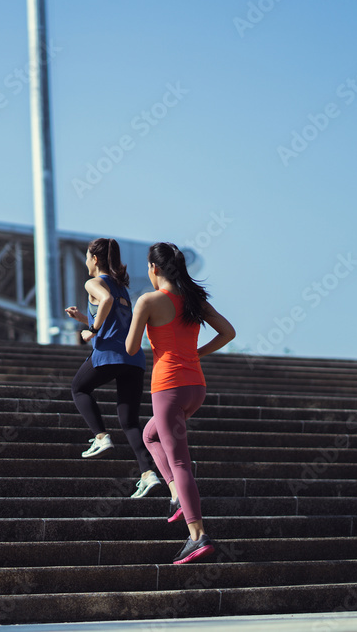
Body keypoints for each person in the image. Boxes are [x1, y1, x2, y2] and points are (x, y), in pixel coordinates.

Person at [126, 242, 236, 565]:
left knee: (180, 463)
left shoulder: (148, 301)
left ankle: (197, 535)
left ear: (154, 269)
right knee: (150, 436)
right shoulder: (193, 300)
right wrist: (196, 354)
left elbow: (132, 348)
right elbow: (228, 332)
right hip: (194, 387)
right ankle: (176, 497)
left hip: (169, 388)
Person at [64, 238, 161, 499]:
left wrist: (90, 330)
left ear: (95, 259)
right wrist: (84, 318)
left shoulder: (94, 283)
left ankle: (100, 437)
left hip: (109, 353)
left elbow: (104, 300)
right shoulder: (121, 287)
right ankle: (147, 473)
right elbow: (116, 318)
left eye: (87, 257)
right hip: (133, 359)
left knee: (78, 388)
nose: (86, 262)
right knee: (130, 423)